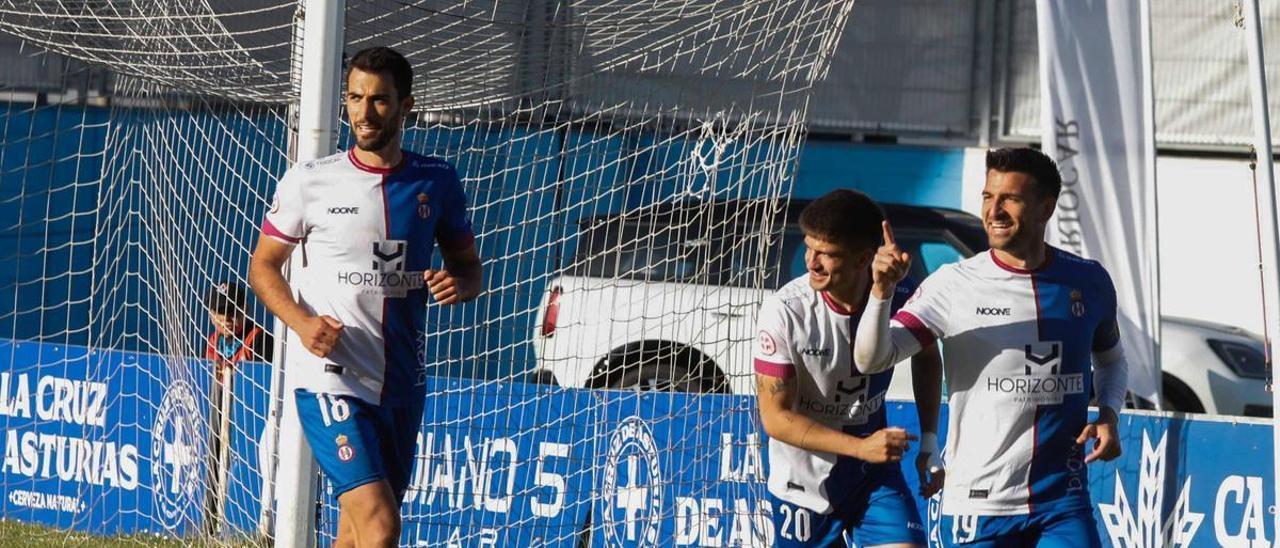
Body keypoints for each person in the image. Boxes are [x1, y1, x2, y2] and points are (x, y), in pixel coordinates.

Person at [248, 46, 482, 548]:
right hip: (330, 380)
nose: (363, 112)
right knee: (380, 526)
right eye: (354, 98)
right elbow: (263, 266)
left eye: (378, 100)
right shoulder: (310, 181)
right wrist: (303, 323)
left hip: (401, 381)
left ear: (406, 106)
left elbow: (468, 269)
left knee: (357, 534)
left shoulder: (436, 181)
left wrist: (458, 284)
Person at [853, 147, 1127, 547]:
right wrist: (881, 292)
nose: (993, 210)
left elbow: (1112, 361)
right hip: (980, 503)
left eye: (1010, 199)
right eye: (987, 197)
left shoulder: (1089, 281)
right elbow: (872, 359)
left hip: (1063, 500)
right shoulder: (953, 284)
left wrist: (1109, 414)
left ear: (1045, 208)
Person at [755, 189, 944, 548]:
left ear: (862, 260)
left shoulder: (899, 294)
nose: (811, 262)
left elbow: (927, 356)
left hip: (872, 477)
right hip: (804, 481)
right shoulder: (785, 310)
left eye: (826, 253)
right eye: (809, 247)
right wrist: (861, 448)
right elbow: (776, 418)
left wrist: (930, 441)